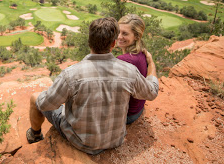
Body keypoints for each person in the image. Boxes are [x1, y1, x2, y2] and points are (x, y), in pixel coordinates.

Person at [26, 17, 158, 155]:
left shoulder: (71, 74)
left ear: (89, 42)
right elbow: (152, 92)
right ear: (113, 44)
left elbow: (46, 105)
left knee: (35, 98)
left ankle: (34, 135)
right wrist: (152, 66)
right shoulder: (129, 71)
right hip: (115, 140)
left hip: (81, 141)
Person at [116, 14, 148, 125]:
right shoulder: (142, 53)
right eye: (118, 31)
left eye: (125, 33)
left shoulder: (124, 60)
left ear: (136, 36)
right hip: (138, 109)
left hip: (127, 115)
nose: (119, 37)